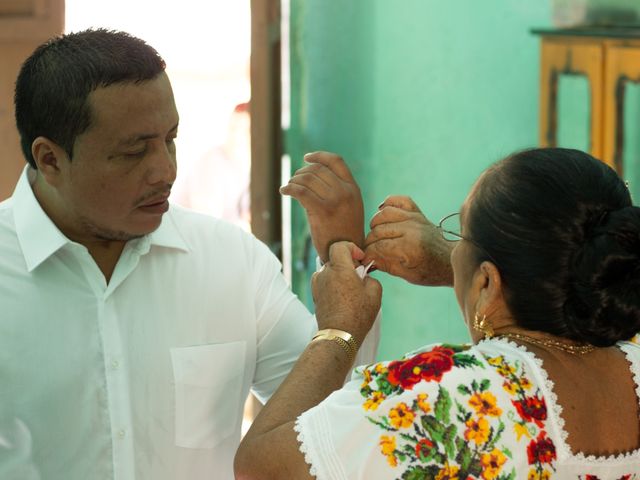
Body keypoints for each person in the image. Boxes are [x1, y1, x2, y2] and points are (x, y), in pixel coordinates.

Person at [0, 29, 378, 480]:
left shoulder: (232, 262)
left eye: (171, 139)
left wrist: (343, 262)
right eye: (134, 152)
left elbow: (338, 414)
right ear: (50, 159)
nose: (166, 170)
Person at [235, 147, 640, 479]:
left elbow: (261, 469)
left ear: (486, 283)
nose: (450, 244)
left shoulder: (451, 394)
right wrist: (459, 265)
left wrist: (339, 328)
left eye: (458, 232)